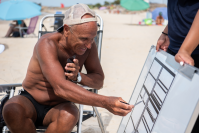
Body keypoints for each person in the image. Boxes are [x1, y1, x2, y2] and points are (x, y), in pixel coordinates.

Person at [2, 3, 134, 133]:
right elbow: (60, 88)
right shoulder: (47, 43)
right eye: (83, 39)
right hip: (31, 101)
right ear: (66, 30)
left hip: (60, 106)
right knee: (12, 109)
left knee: (70, 115)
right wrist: (106, 102)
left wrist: (79, 76)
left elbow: (99, 82)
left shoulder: (89, 47)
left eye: (92, 38)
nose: (88, 45)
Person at [156, 0, 199, 132]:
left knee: (191, 118)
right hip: (176, 50)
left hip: (191, 54)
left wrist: (186, 49)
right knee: (171, 115)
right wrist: (167, 32)